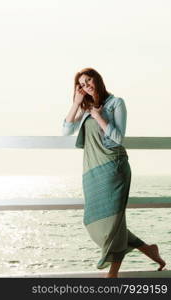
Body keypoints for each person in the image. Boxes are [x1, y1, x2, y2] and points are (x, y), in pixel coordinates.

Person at [62, 67, 166, 278]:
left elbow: (117, 137)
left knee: (114, 222)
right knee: (96, 220)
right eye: (81, 84)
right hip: (93, 170)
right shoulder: (86, 107)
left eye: (88, 80)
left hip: (114, 167)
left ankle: (113, 273)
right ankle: (148, 249)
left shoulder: (117, 103)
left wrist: (99, 117)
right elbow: (66, 130)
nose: (86, 86)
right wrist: (75, 102)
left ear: (97, 79)